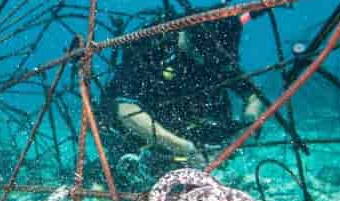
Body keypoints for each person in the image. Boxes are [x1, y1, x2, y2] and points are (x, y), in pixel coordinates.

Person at [104, 14, 267, 176]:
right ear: (189, 38)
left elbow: (253, 95)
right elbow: (124, 110)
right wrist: (184, 148)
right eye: (203, 56)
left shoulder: (217, 55)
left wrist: (246, 127)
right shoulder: (151, 51)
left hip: (195, 131)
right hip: (152, 137)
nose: (208, 63)